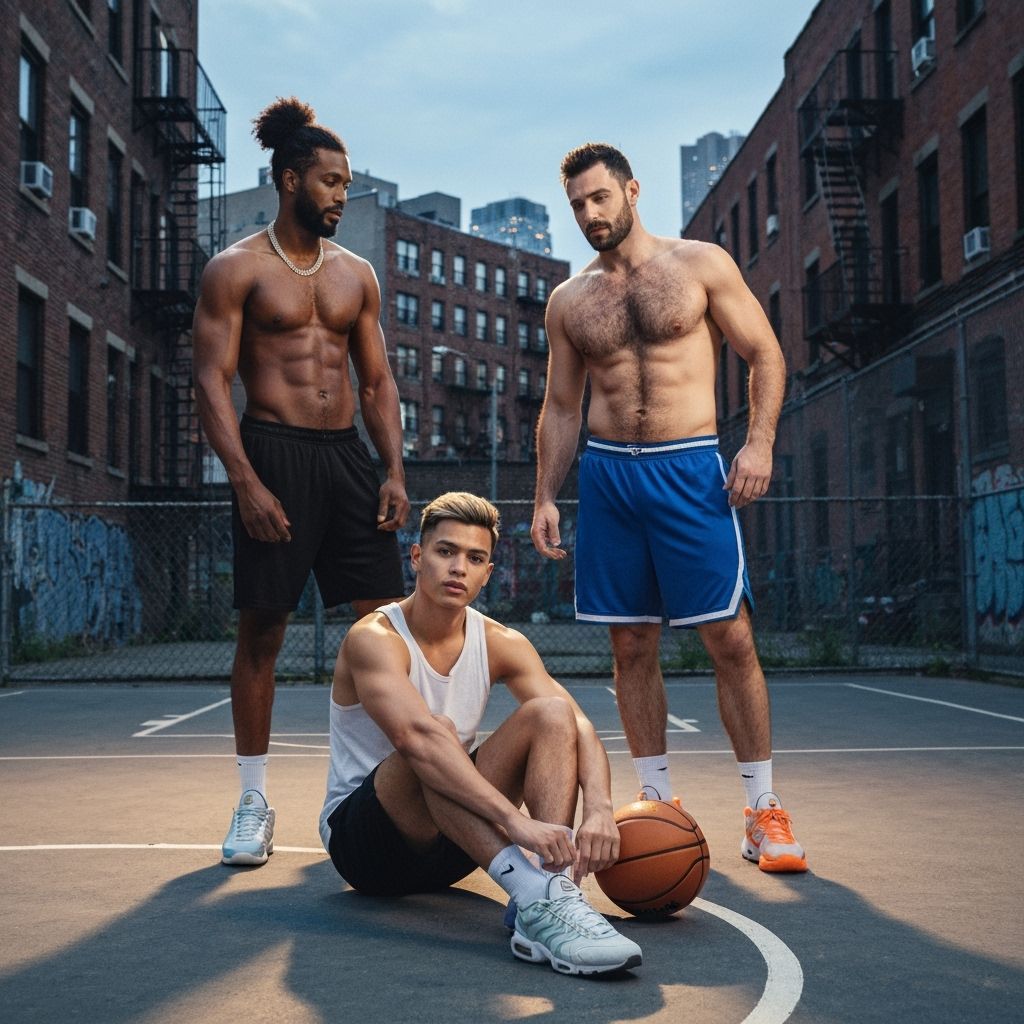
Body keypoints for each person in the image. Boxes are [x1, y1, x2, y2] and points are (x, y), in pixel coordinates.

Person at [530, 142, 806, 874]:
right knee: (630, 645)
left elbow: (766, 354)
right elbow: (561, 406)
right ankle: (659, 803)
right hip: (611, 477)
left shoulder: (701, 265)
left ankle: (762, 811)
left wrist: (759, 445)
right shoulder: (569, 300)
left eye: (600, 197)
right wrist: (545, 497)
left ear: (631, 190)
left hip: (691, 468)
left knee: (731, 637)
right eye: (578, 204)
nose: (590, 214)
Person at [193, 98, 409, 866]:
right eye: (328, 182)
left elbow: (379, 384)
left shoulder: (358, 276)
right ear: (290, 180)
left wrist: (393, 470)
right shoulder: (237, 269)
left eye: (346, 183)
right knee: (264, 632)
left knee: (385, 630)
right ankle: (253, 800)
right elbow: (213, 385)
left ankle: (383, 786)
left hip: (348, 458)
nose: (341, 195)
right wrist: (245, 482)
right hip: (274, 454)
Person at [320, 492, 642, 976]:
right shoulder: (374, 638)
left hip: (457, 839)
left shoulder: (500, 642)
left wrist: (599, 807)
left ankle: (551, 893)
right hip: (367, 846)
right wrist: (514, 824)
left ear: (488, 572)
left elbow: (580, 727)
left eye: (475, 558)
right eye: (445, 552)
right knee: (438, 732)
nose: (458, 568)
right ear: (416, 557)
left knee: (552, 713)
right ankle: (533, 891)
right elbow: (416, 740)